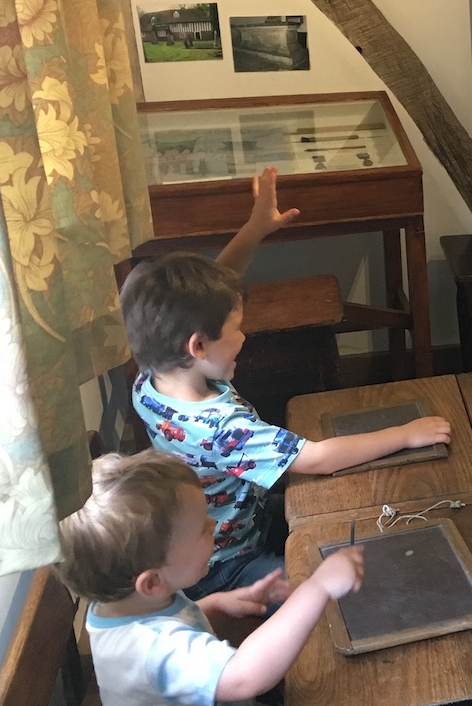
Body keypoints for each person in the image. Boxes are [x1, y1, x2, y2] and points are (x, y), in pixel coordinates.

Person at [121, 166, 451, 599]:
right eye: (236, 329)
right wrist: (405, 434)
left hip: (234, 522)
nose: (244, 336)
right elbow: (319, 458)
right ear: (198, 346)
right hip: (227, 563)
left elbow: (208, 296)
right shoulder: (224, 429)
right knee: (336, 597)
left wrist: (255, 229)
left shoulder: (152, 377)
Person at [55, 450, 373, 706]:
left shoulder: (120, 609)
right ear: (151, 581)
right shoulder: (152, 649)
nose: (212, 525)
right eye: (202, 531)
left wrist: (217, 605)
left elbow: (169, 635)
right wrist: (318, 588)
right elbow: (244, 678)